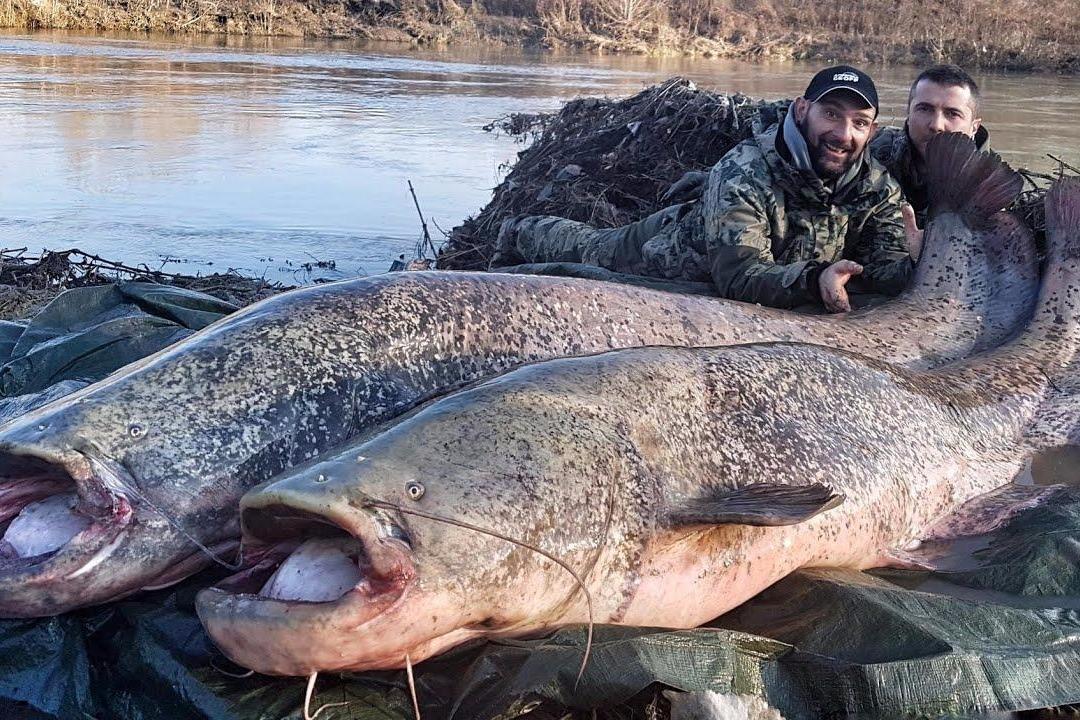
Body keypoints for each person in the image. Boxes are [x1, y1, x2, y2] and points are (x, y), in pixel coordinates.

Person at [492, 66, 917, 313]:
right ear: (802, 110)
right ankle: (516, 228)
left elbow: (886, 266)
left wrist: (916, 258)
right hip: (666, 252)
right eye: (831, 114)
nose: (843, 133)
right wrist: (814, 282)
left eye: (859, 122)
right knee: (584, 249)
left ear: (872, 129)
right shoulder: (746, 170)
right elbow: (739, 275)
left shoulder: (878, 189)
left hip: (772, 265)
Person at [871, 64, 992, 230]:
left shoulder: (992, 185)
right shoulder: (874, 152)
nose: (936, 125)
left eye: (952, 114)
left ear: (974, 127)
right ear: (909, 114)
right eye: (925, 109)